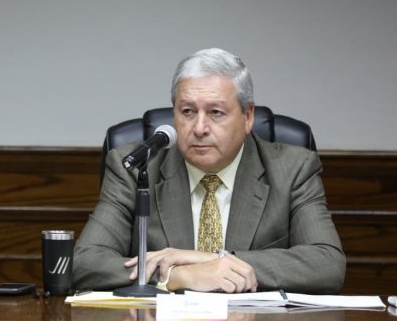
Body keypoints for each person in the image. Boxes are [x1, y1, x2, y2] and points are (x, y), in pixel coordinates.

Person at [73, 48, 345, 294]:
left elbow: (327, 263)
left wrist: (217, 260)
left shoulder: (292, 169)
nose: (199, 128)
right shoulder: (136, 169)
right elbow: (85, 262)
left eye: (216, 112)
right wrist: (176, 275)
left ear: (248, 116)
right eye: (187, 111)